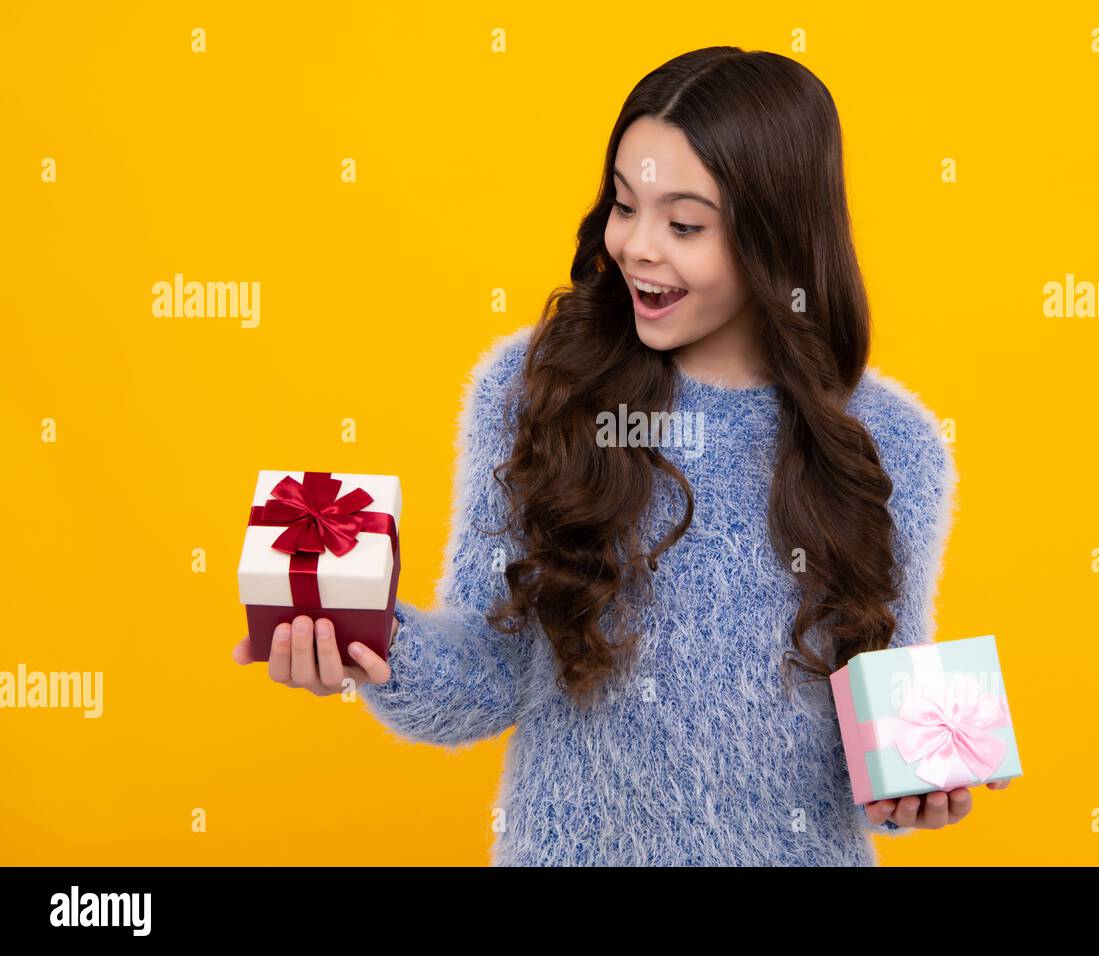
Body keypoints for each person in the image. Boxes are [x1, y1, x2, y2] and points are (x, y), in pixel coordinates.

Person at [234, 46, 1011, 865]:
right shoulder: (540, 389)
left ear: (777, 238)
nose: (637, 247)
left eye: (683, 224)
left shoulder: (891, 445)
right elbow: (489, 678)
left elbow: (882, 733)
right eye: (623, 205)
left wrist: (916, 788)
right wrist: (373, 645)